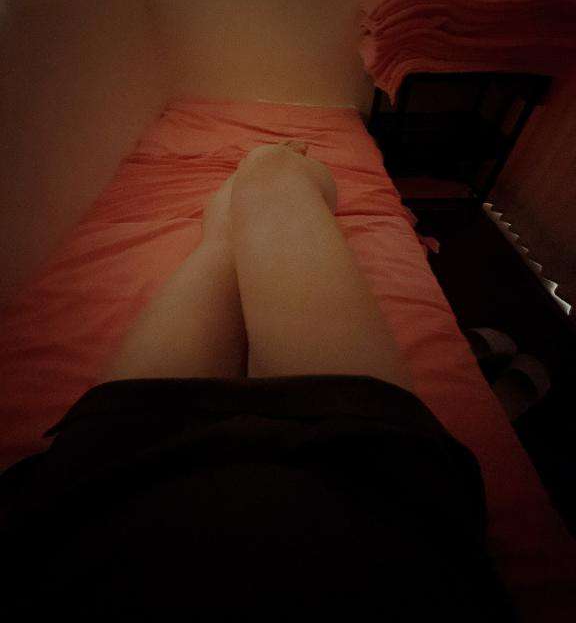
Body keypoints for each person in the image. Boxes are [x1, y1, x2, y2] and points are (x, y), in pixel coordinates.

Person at [0, 142, 514, 618]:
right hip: (365, 488)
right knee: (272, 176)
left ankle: (261, 169)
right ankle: (269, 163)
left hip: (99, 497)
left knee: (224, 242)